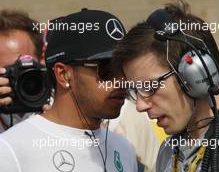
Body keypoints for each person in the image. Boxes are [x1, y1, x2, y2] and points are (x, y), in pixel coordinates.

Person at [113, 0, 219, 172]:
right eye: (135, 91)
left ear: (194, 74)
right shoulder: (168, 151)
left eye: (149, 87)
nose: (140, 105)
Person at [0, 9, 137, 172]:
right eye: (106, 69)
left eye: (124, 68)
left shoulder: (124, 148)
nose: (120, 80)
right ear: (63, 74)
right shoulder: (9, 151)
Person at [0, 10, 44, 132]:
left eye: (23, 67)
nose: (18, 78)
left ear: (42, 61)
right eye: (8, 71)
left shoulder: (66, 103)